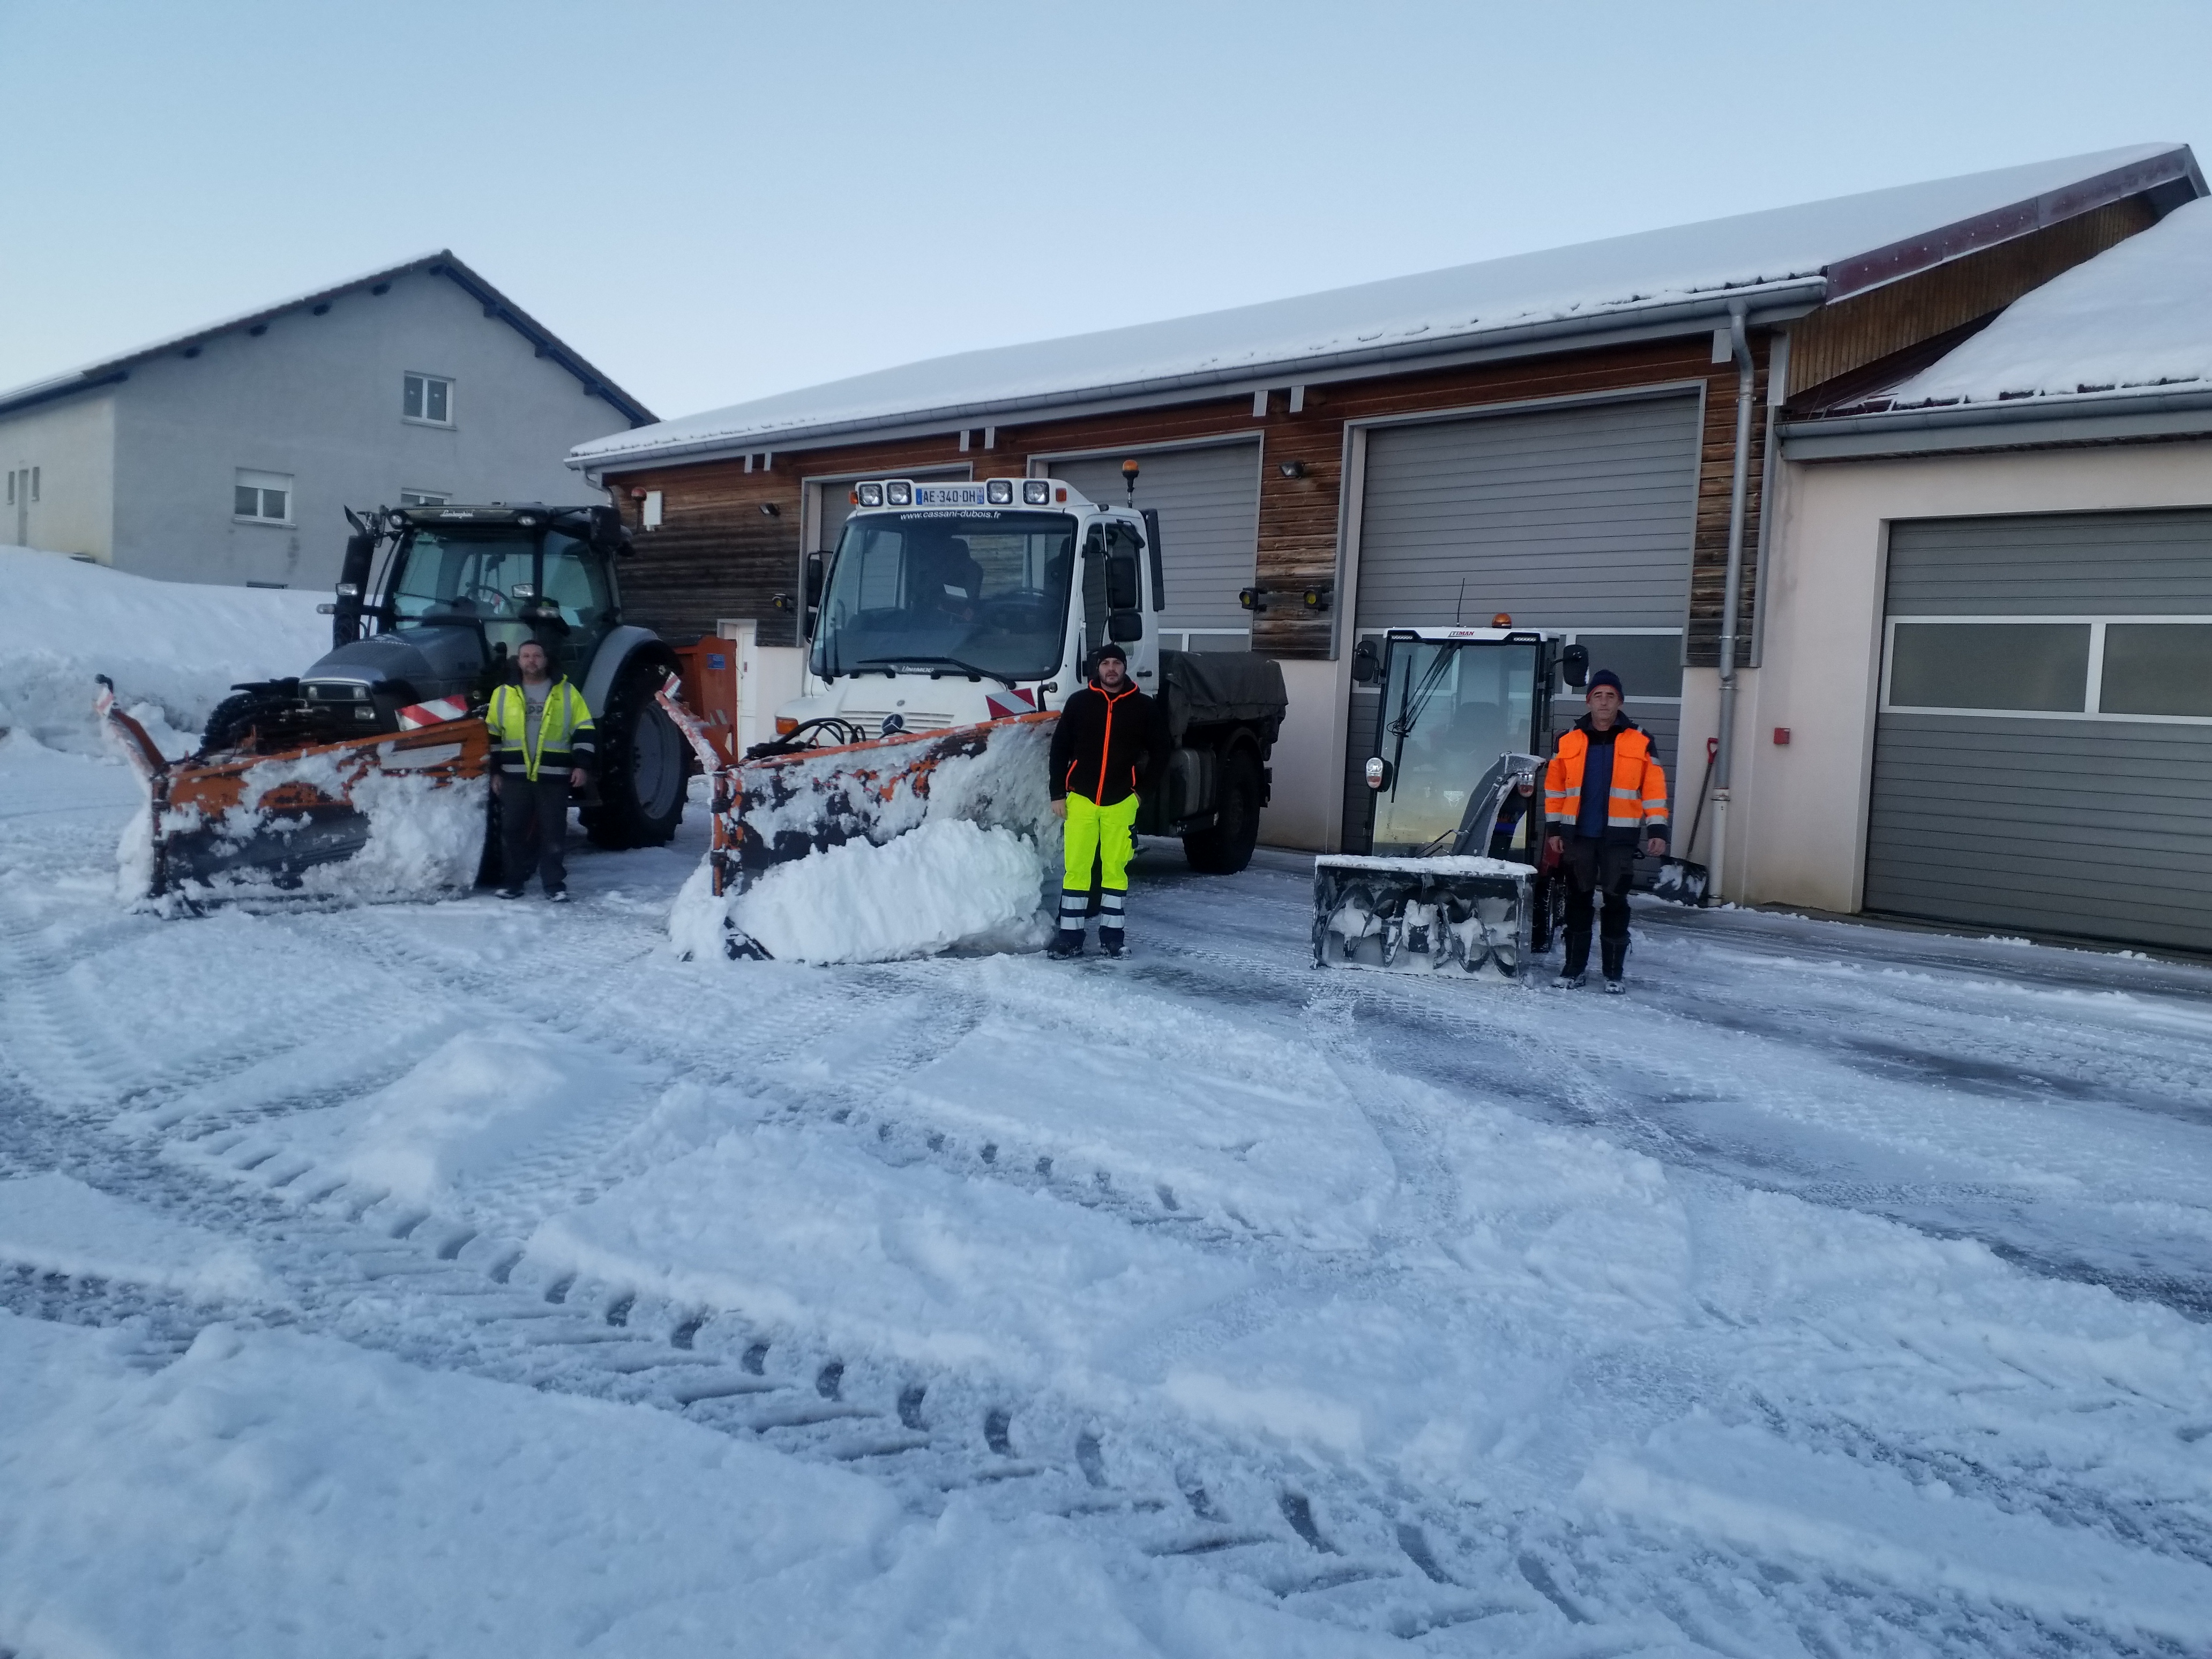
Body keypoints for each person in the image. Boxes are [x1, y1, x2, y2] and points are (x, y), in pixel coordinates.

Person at [1543, 669, 1668, 991]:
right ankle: (1573, 970)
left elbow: (1654, 790)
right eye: (1598, 695)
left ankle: (1613, 974)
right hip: (1578, 837)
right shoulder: (1567, 741)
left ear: (1620, 701)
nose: (1604, 702)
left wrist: (1657, 830)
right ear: (1589, 701)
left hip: (1619, 839)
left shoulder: (1641, 740)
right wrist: (1554, 830)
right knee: (1578, 901)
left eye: (1610, 696)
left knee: (1616, 902)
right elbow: (1555, 790)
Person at [1045, 641, 1167, 958]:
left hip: (1120, 801)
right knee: (1077, 868)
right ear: (1096, 669)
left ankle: (1112, 937)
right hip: (1081, 799)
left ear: (1125, 668)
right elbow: (1059, 749)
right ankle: (1070, 937)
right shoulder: (1079, 703)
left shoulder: (1143, 706)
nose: (1111, 669)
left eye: (1116, 663)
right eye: (1105, 663)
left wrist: (1141, 794)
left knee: (1115, 869)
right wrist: (1058, 793)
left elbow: (1162, 753)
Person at [485, 640, 596, 901]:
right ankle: (513, 883)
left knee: (554, 832)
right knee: (512, 831)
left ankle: (555, 885)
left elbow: (584, 730)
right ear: (518, 661)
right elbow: (492, 736)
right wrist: (495, 772)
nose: (531, 661)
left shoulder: (568, 692)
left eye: (537, 655)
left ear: (546, 660)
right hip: (514, 776)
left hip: (554, 776)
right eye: (526, 656)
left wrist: (582, 765)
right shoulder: (502, 694)